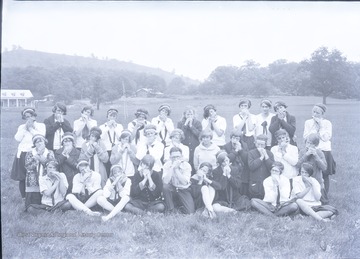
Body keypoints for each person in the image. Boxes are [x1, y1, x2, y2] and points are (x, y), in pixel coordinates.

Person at [11, 108, 46, 200]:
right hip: (23, 153)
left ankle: (36, 196)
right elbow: (17, 138)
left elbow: (41, 136)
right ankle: (24, 197)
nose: (29, 118)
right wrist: (25, 128)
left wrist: (31, 129)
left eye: (31, 116)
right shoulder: (21, 127)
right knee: (22, 176)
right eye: (26, 117)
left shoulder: (41, 126)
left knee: (35, 174)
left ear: (34, 116)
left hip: (35, 153)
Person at [303, 103, 335, 196]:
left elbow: (326, 138)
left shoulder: (327, 123)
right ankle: (311, 194)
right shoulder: (308, 122)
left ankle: (324, 195)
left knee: (325, 174)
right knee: (311, 172)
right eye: (314, 112)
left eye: (318, 113)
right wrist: (314, 129)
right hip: (311, 150)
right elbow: (305, 137)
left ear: (323, 114)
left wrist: (320, 126)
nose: (315, 114)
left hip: (324, 151)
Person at [24, 134, 55, 210]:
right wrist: (37, 157)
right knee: (31, 206)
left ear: (45, 142)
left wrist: (42, 160)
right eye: (37, 142)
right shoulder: (30, 153)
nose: (39, 143)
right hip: (33, 181)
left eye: (41, 141)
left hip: (45, 179)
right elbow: (28, 167)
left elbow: (52, 165)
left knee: (45, 201)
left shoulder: (49, 152)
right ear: (34, 144)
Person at [162, 147, 195, 214]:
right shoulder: (167, 165)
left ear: (182, 157)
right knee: (165, 187)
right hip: (172, 188)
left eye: (178, 157)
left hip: (183, 189)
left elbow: (184, 182)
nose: (176, 159)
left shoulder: (187, 165)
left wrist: (176, 169)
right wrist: (172, 168)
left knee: (190, 212)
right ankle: (171, 209)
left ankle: (178, 206)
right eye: (173, 157)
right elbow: (165, 181)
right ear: (170, 157)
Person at [297, 133, 328, 204]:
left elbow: (324, 168)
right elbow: (298, 165)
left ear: (315, 145)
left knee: (322, 203)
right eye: (308, 142)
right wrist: (306, 155)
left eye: (311, 144)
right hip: (304, 181)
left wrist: (316, 156)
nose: (309, 145)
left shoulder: (319, 153)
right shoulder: (302, 152)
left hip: (317, 180)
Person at [221, 129, 249, 196]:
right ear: (231, 138)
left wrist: (241, 150)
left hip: (243, 169)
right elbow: (228, 159)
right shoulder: (226, 146)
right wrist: (236, 150)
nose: (235, 140)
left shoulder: (244, 145)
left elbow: (247, 159)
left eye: (237, 138)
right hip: (232, 169)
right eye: (233, 138)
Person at [248, 134, 275, 199]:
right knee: (254, 198)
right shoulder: (251, 153)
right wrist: (261, 158)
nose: (259, 146)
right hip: (254, 180)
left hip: (265, 180)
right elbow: (251, 166)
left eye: (262, 145)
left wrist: (266, 156)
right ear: (255, 143)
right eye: (258, 144)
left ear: (265, 145)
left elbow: (272, 167)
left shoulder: (269, 153)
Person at [177, 106, 202, 173]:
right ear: (184, 115)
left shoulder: (198, 123)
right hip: (185, 145)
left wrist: (191, 126)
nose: (189, 116)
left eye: (191, 114)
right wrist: (185, 125)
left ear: (194, 115)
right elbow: (179, 134)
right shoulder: (180, 123)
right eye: (188, 114)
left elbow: (199, 135)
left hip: (194, 146)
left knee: (194, 161)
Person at [99, 108, 124, 176]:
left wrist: (115, 127)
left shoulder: (119, 126)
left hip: (116, 150)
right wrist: (108, 127)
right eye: (110, 116)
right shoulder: (102, 126)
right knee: (107, 168)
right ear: (107, 116)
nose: (112, 117)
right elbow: (101, 137)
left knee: (116, 167)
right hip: (107, 149)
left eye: (114, 116)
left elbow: (120, 138)